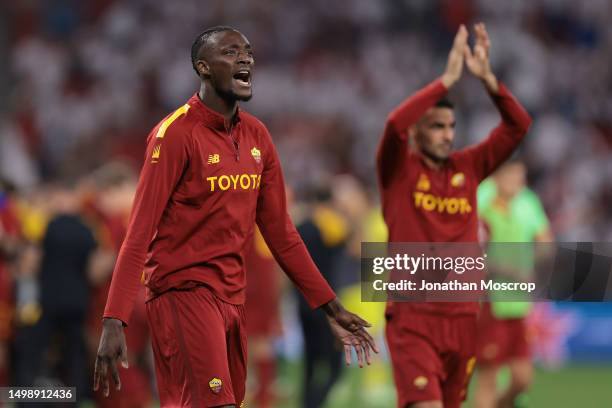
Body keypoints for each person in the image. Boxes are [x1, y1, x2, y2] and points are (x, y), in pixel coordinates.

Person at [93, 26, 378, 408]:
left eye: (248, 52)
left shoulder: (258, 136)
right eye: (230, 52)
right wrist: (115, 319)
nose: (245, 59)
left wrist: (330, 305)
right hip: (183, 291)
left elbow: (282, 234)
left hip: (232, 297)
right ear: (204, 68)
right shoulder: (174, 134)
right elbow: (138, 233)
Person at [377, 23, 532, 408]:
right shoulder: (398, 172)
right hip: (414, 317)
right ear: (417, 134)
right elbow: (395, 124)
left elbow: (518, 126)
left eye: (451, 127)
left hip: (464, 317)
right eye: (436, 127)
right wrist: (446, 80)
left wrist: (489, 81)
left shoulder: (470, 166)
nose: (447, 135)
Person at [474, 160, 552, 408]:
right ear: (498, 174)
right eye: (513, 176)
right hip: (487, 301)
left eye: (522, 176)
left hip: (518, 303)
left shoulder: (528, 201)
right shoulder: (480, 198)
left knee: (522, 379)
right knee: (488, 377)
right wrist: (510, 270)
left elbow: (545, 241)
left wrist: (536, 258)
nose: (519, 182)